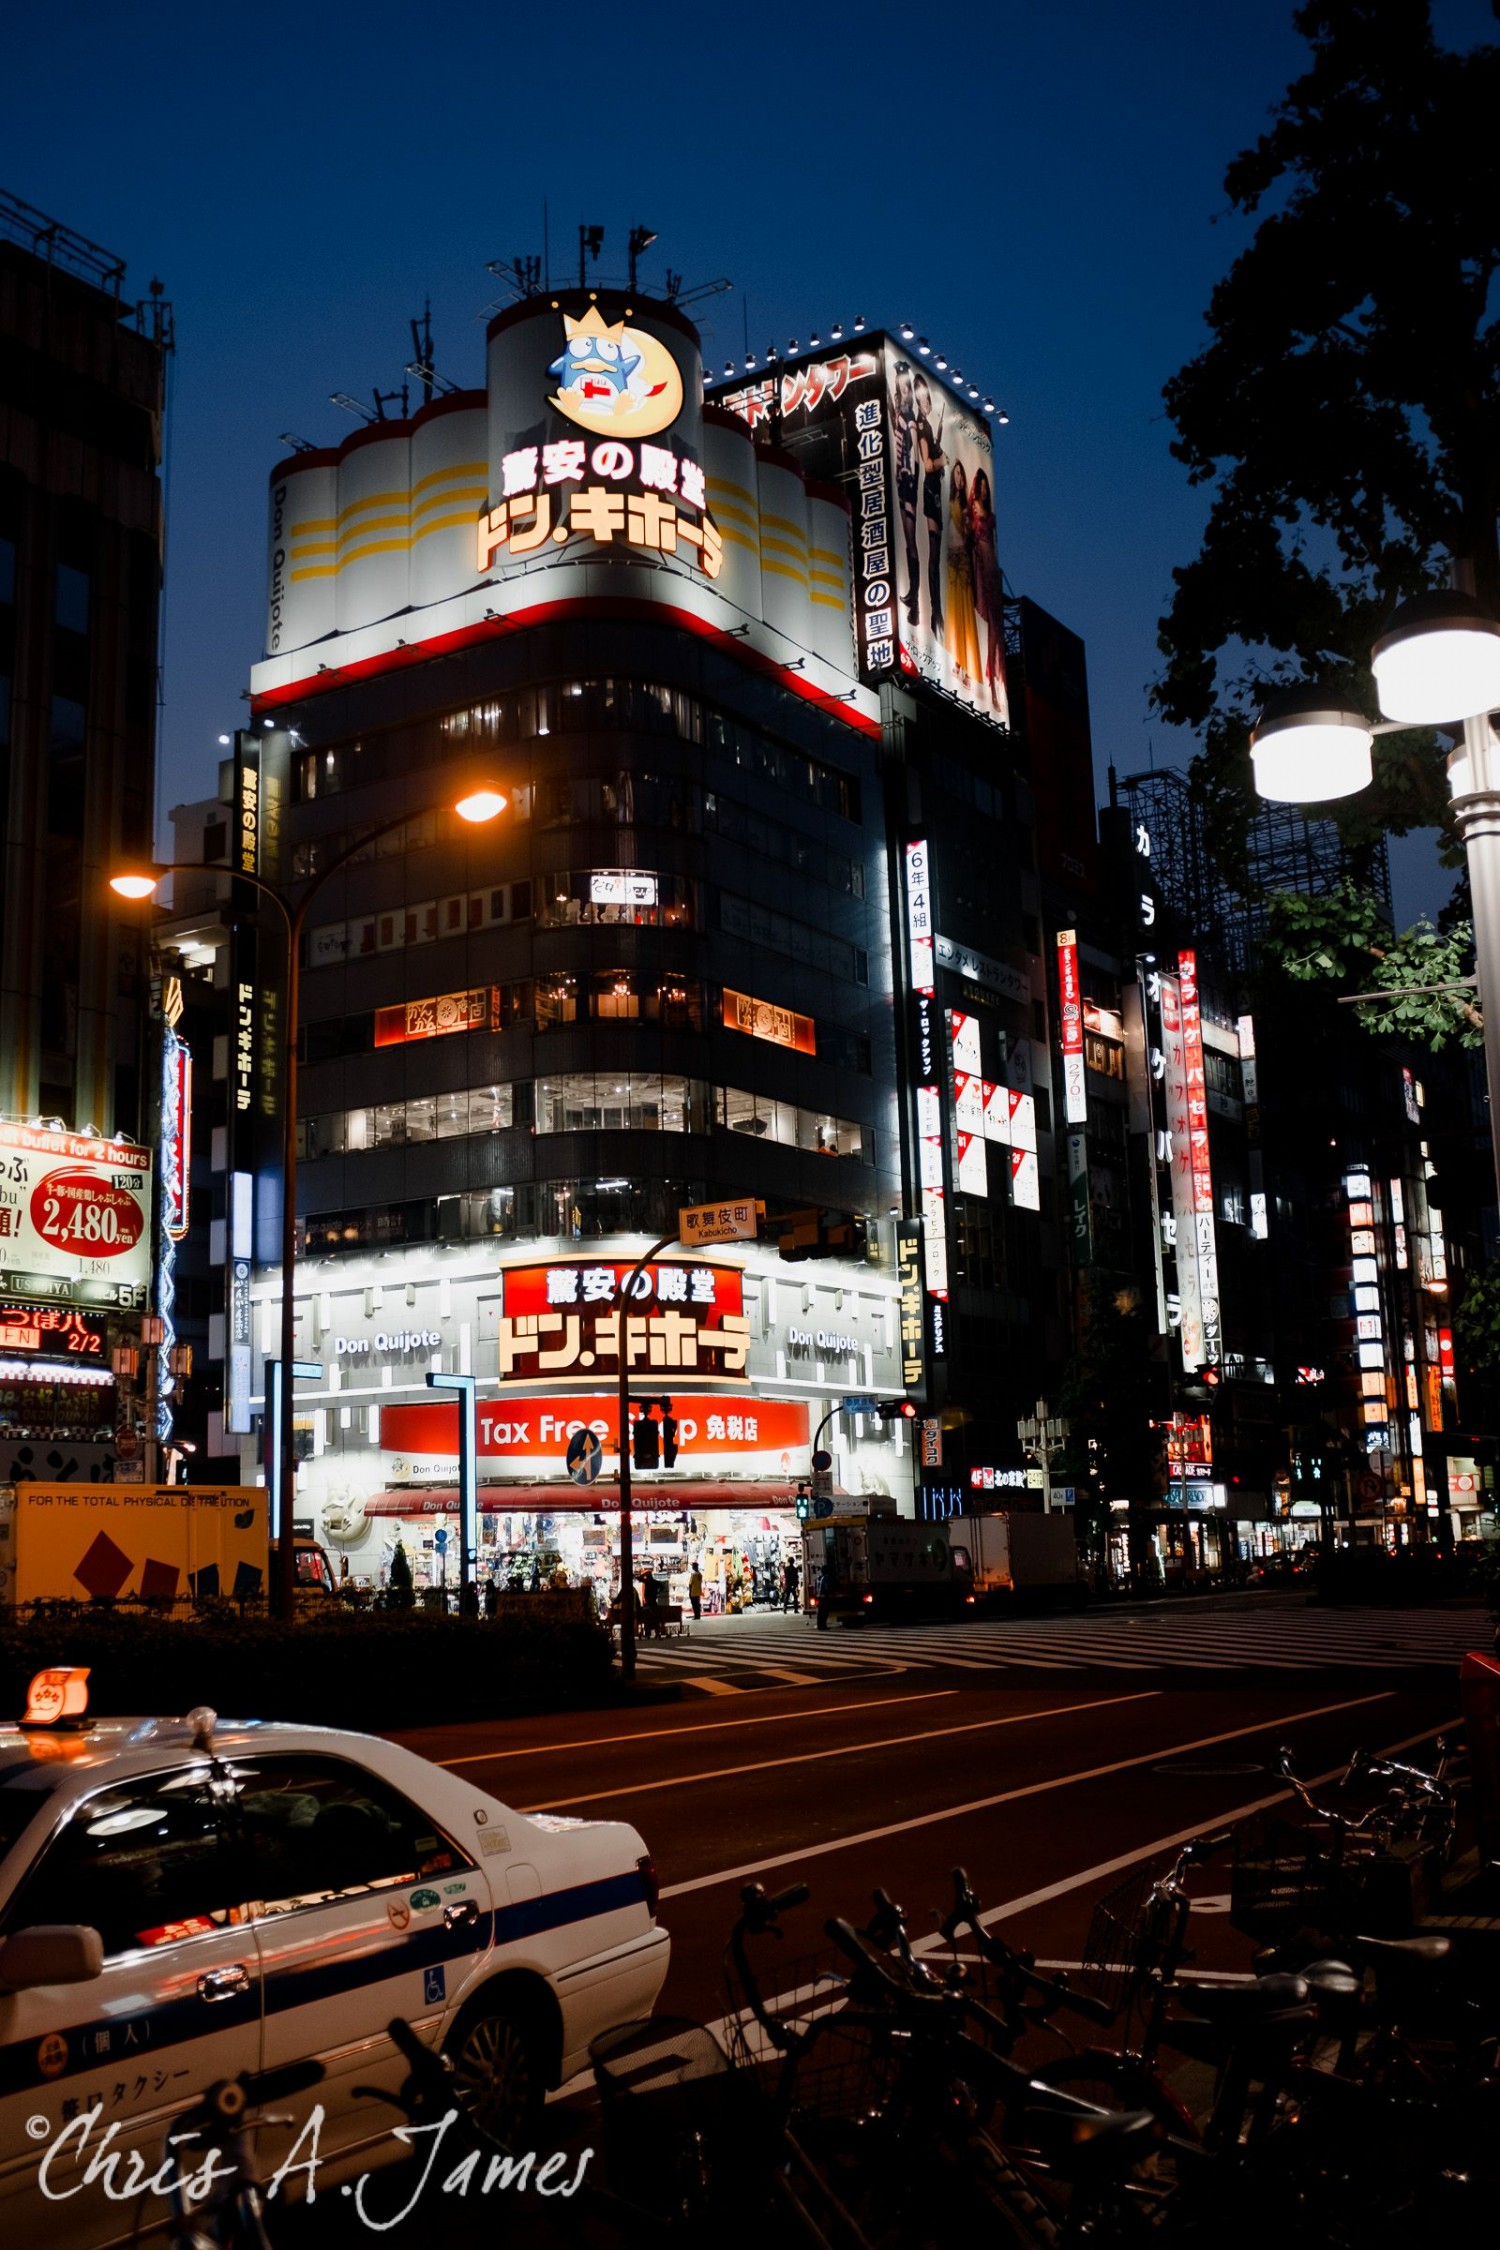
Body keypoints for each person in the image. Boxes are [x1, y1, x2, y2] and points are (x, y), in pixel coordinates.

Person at [969, 466, 1005, 708]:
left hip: (992, 573)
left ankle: (993, 682)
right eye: (980, 486)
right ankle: (990, 683)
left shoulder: (990, 515)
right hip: (981, 570)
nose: (983, 490)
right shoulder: (973, 509)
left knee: (996, 630)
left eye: (985, 488)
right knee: (992, 627)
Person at [944, 460, 982, 688]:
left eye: (961, 474)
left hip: (963, 562)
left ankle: (968, 667)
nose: (959, 478)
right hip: (951, 561)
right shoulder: (947, 504)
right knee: (954, 612)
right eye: (956, 474)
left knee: (965, 615)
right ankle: (956, 662)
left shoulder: (965, 508)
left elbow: (970, 536)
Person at [915, 376, 946, 638]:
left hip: (935, 491)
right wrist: (941, 461)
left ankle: (937, 609)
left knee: (936, 554)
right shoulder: (922, 426)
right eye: (920, 396)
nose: (924, 400)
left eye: (925, 395)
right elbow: (927, 465)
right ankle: (936, 611)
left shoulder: (928, 425)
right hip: (930, 490)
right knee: (933, 554)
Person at [892, 362, 922, 624]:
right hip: (901, 480)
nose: (904, 391)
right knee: (907, 539)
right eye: (901, 386)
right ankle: (914, 597)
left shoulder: (910, 417)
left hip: (908, 481)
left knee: (911, 541)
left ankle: (915, 601)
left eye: (906, 388)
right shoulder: (899, 413)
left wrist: (909, 473)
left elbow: (915, 455)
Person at [816, 1558, 836, 1630]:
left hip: (820, 1597)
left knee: (820, 1612)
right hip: (825, 1597)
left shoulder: (820, 1578)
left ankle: (820, 1625)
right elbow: (827, 1587)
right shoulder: (826, 1578)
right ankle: (823, 1625)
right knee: (824, 1612)